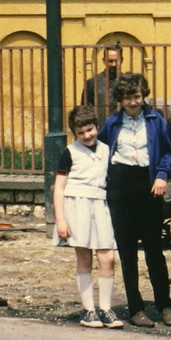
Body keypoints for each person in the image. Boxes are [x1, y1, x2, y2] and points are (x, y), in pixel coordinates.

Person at [100, 72, 171, 327]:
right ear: (119, 100)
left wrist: (161, 176)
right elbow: (101, 154)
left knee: (155, 250)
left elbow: (167, 153)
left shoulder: (156, 121)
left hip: (148, 186)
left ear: (143, 96)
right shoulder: (112, 124)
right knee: (128, 251)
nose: (133, 103)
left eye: (137, 96)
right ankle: (135, 309)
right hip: (121, 187)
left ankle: (164, 305)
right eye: (127, 98)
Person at [53, 104, 123, 328]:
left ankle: (106, 308)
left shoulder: (106, 149)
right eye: (81, 132)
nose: (86, 135)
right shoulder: (70, 152)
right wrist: (61, 220)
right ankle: (88, 311)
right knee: (84, 258)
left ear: (97, 127)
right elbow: (59, 188)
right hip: (77, 206)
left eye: (90, 130)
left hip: (100, 206)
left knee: (107, 257)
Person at [80, 43, 123, 113]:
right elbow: (85, 111)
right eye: (110, 61)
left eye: (117, 61)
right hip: (100, 123)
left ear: (122, 60)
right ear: (104, 60)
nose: (114, 64)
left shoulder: (127, 82)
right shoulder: (92, 83)